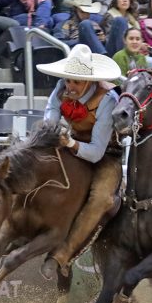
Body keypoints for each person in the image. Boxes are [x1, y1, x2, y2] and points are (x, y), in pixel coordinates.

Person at [36, 44, 123, 280]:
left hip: (106, 156)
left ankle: (61, 256)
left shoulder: (108, 99)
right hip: (68, 143)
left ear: (89, 81)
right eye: (68, 80)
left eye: (76, 81)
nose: (70, 86)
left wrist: (70, 144)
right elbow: (51, 112)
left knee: (102, 199)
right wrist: (53, 132)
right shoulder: (62, 87)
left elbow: (96, 152)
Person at [54, 0, 125, 56]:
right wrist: (83, 39)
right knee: (85, 24)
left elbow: (107, 40)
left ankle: (122, 58)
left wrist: (103, 39)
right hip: (82, 54)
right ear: (75, 10)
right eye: (83, 12)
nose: (86, 15)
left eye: (88, 12)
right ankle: (103, 58)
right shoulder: (65, 25)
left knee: (120, 20)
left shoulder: (95, 24)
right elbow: (58, 44)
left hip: (106, 52)